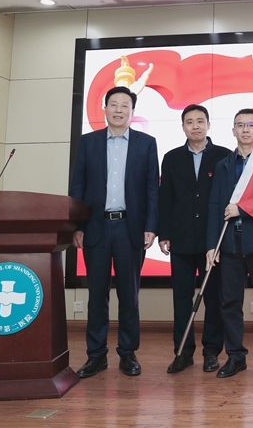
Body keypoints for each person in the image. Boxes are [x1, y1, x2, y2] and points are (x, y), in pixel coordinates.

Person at [70, 86, 159, 378]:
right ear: (105, 108)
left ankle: (128, 354)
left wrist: (151, 227)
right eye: (114, 104)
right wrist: (77, 226)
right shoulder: (88, 142)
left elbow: (152, 189)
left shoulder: (147, 144)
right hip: (96, 227)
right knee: (97, 295)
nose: (119, 110)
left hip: (130, 228)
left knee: (129, 295)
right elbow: (77, 187)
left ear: (132, 111)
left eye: (125, 105)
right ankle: (96, 356)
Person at [207, 108, 253, 379]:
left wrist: (243, 210)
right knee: (229, 303)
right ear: (233, 131)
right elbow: (215, 206)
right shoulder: (224, 165)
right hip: (229, 244)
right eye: (240, 125)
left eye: (251, 124)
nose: (246, 129)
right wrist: (211, 245)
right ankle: (236, 356)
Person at [158, 104, 231, 374]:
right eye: (189, 122)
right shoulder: (172, 158)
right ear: (183, 127)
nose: (195, 126)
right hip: (181, 240)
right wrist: (164, 233)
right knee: (181, 299)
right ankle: (183, 352)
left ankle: (211, 352)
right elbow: (165, 198)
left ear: (209, 125)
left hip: (214, 242)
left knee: (214, 298)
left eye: (200, 121)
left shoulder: (224, 156)